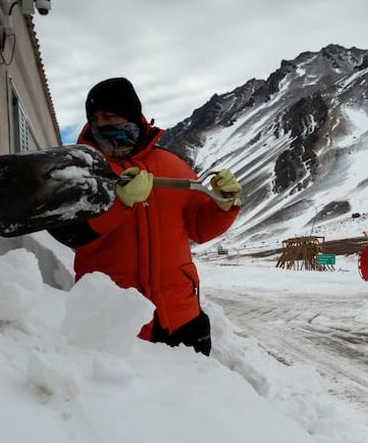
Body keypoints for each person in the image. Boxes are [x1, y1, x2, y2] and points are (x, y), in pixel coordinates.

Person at [49, 77, 242, 356]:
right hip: (116, 322)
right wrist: (120, 202)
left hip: (181, 316)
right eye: (95, 118)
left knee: (193, 397)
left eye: (109, 115)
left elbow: (200, 227)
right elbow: (71, 234)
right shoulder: (83, 170)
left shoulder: (172, 166)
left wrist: (224, 206)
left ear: (130, 115)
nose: (101, 124)